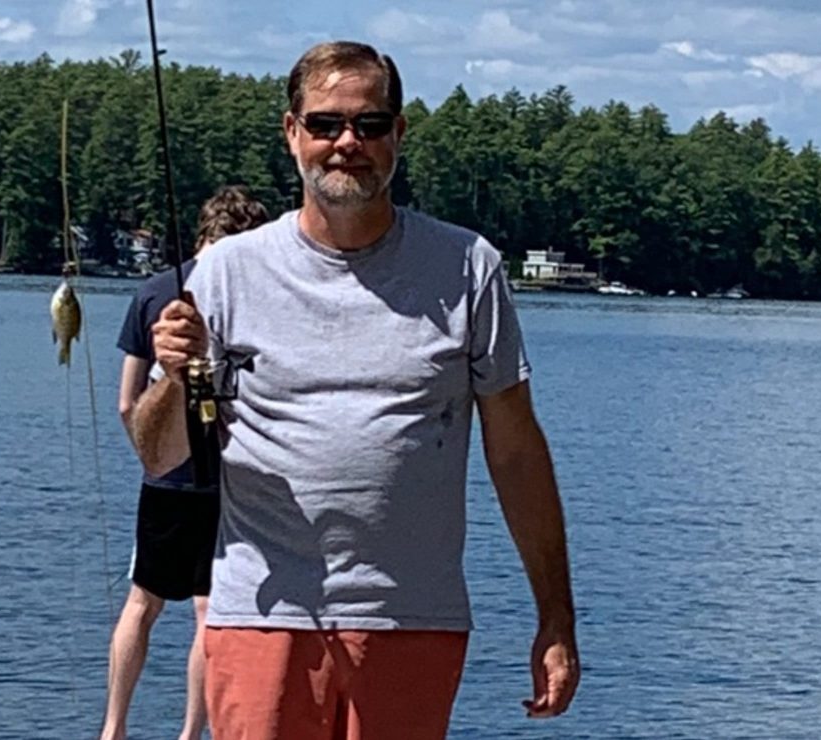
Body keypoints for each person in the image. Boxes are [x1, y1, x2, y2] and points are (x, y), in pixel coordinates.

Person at [133, 41, 580, 740]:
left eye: (370, 125)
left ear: (398, 135)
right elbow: (159, 456)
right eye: (325, 124)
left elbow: (517, 455)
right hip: (261, 616)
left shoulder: (468, 267)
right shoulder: (224, 273)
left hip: (414, 619)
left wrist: (555, 617)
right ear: (292, 134)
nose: (348, 143)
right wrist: (173, 375)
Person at [102, 186, 269, 740]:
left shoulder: (154, 293)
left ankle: (113, 727)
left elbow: (127, 401)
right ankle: (191, 733)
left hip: (165, 478)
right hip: (227, 477)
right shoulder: (256, 296)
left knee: (141, 603)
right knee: (208, 611)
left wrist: (151, 457)